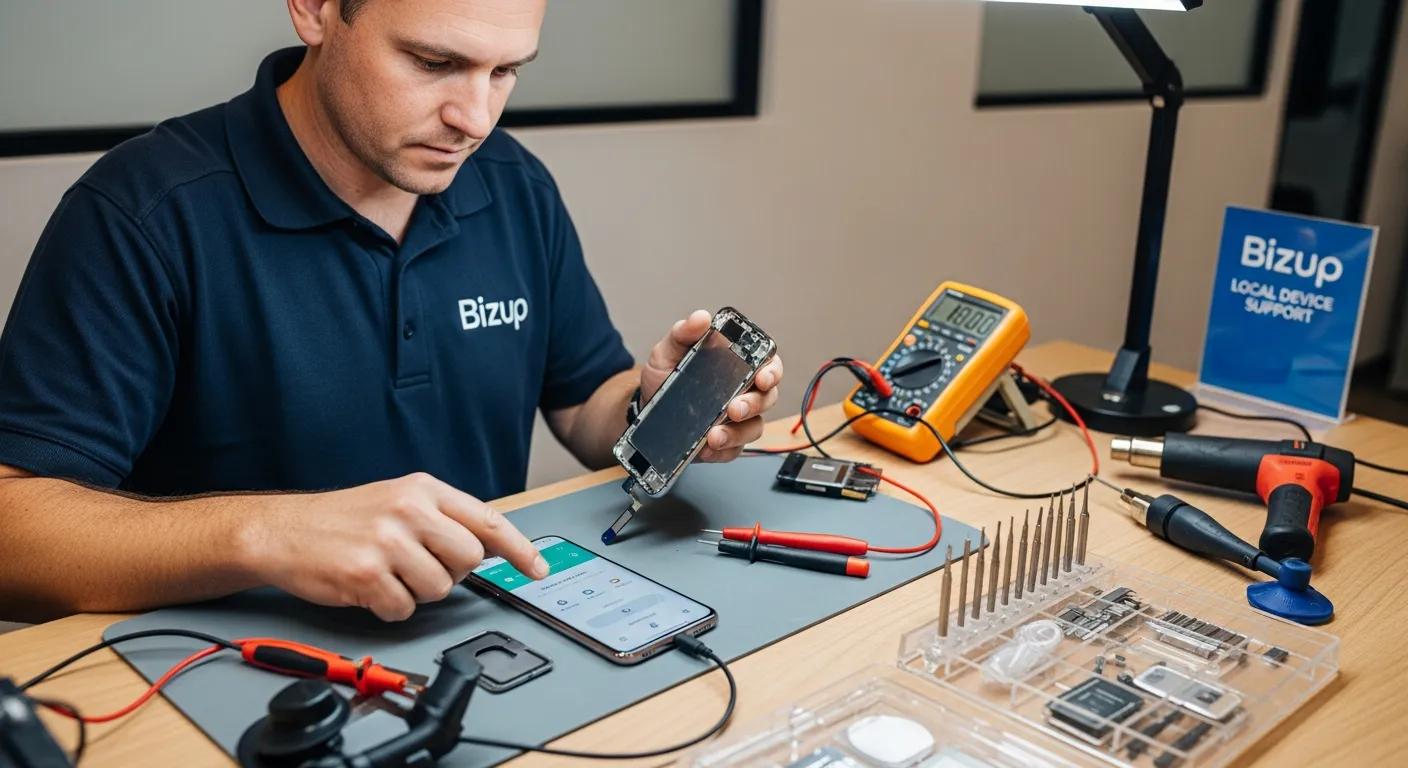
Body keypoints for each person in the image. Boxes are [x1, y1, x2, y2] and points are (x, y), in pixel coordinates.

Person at [0, 0, 784, 623]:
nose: (475, 119)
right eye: (434, 63)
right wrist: (271, 535)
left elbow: (585, 406)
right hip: (232, 665)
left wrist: (654, 409)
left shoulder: (513, 184)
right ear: (314, 9)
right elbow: (13, 535)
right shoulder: (144, 213)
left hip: (481, 634)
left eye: (505, 71)